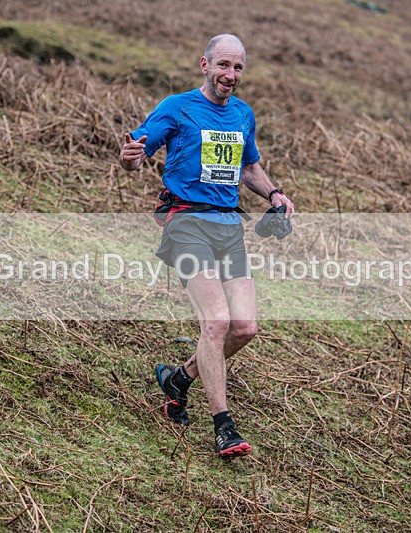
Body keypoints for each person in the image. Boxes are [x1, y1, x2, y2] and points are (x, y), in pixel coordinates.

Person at [119, 34, 294, 458]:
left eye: (237, 68)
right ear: (205, 64)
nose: (230, 76)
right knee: (215, 322)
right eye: (223, 66)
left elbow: (249, 166)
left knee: (244, 327)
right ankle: (223, 426)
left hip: (228, 226)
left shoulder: (242, 114)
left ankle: (179, 379)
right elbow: (139, 148)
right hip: (186, 223)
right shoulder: (177, 107)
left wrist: (274, 195)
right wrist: (131, 156)